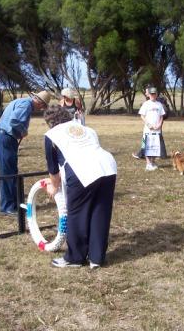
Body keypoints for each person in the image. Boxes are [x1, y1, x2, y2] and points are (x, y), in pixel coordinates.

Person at [43, 105, 117, 269]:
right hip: (108, 166)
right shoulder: (87, 129)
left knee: (77, 213)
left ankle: (75, 258)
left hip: (82, 170)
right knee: (100, 212)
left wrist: (53, 188)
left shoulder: (51, 135)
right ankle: (97, 258)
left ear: (50, 122)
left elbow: (53, 170)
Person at [0, 91, 51, 216]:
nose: (41, 109)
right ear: (38, 101)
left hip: (5, 138)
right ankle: (7, 207)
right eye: (42, 106)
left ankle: (14, 204)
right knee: (8, 173)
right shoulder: (26, 105)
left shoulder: (20, 102)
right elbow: (14, 120)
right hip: (6, 138)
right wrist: (23, 131)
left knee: (10, 172)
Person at [132, 87, 168, 159]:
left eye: (154, 94)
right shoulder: (146, 104)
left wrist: (159, 125)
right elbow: (142, 115)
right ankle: (144, 158)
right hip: (148, 129)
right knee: (145, 143)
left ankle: (153, 160)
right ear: (149, 95)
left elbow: (161, 116)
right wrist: (148, 124)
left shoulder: (159, 104)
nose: (153, 95)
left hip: (157, 129)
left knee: (155, 146)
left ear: (156, 94)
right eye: (151, 94)